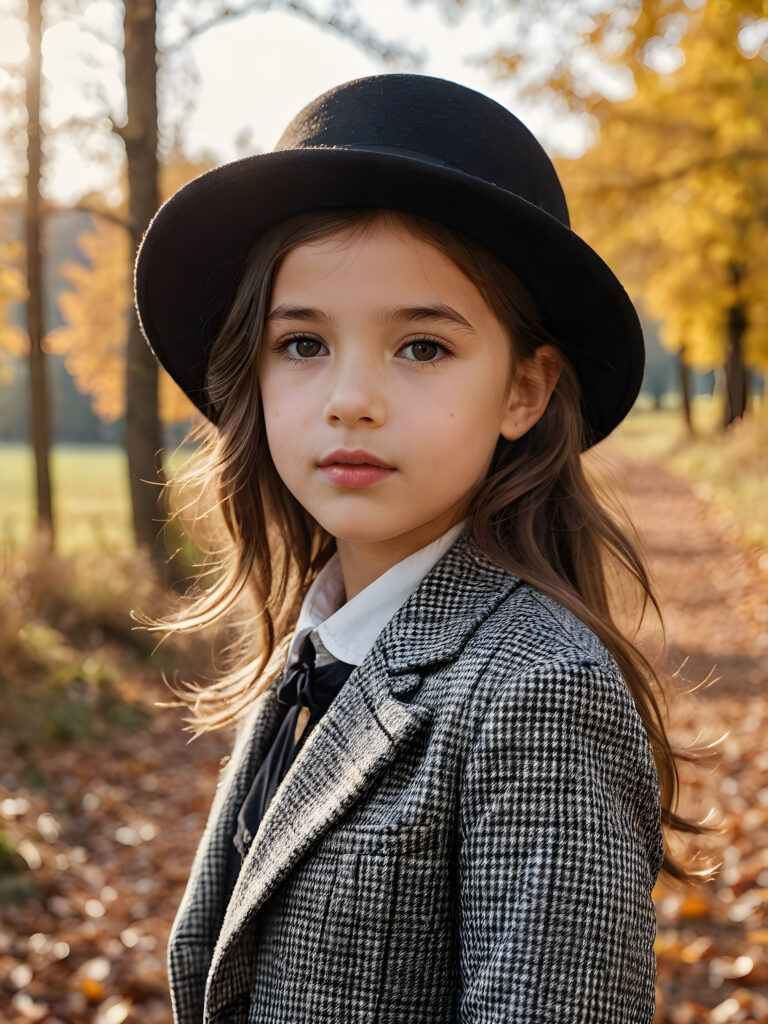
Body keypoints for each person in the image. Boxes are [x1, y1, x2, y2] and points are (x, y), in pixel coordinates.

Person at [133, 74, 709, 1024]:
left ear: (524, 390)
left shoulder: (538, 692)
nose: (350, 397)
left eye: (423, 348)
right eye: (304, 344)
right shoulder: (324, 639)